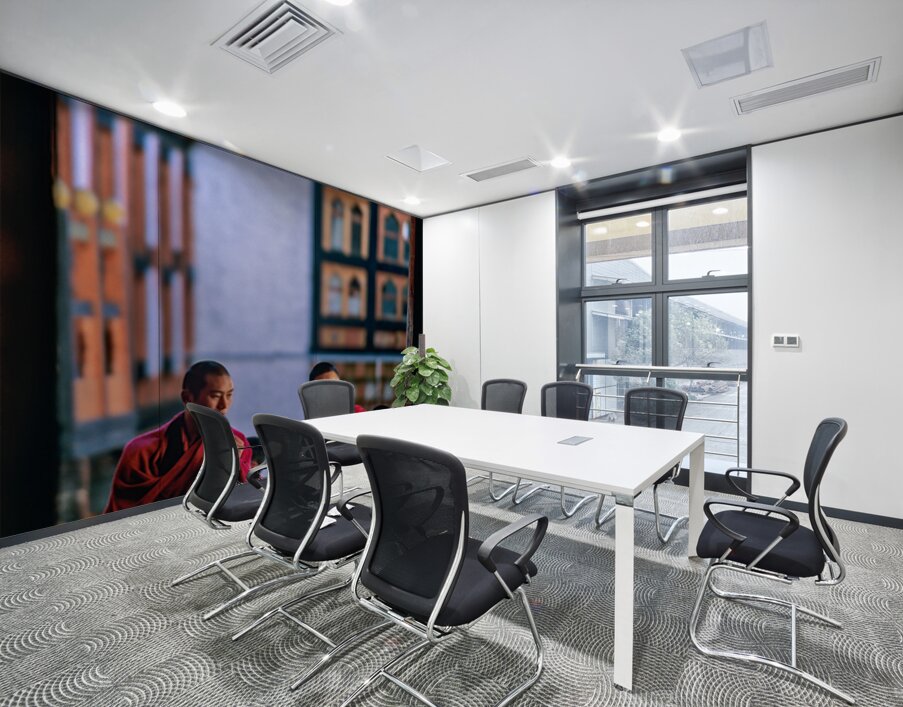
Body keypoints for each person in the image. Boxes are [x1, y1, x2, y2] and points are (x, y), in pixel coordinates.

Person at [104, 360, 253, 513]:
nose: (224, 405)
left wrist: (233, 462)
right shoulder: (142, 451)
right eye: (215, 396)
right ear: (187, 398)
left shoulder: (237, 442)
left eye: (229, 395)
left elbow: (243, 502)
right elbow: (122, 516)